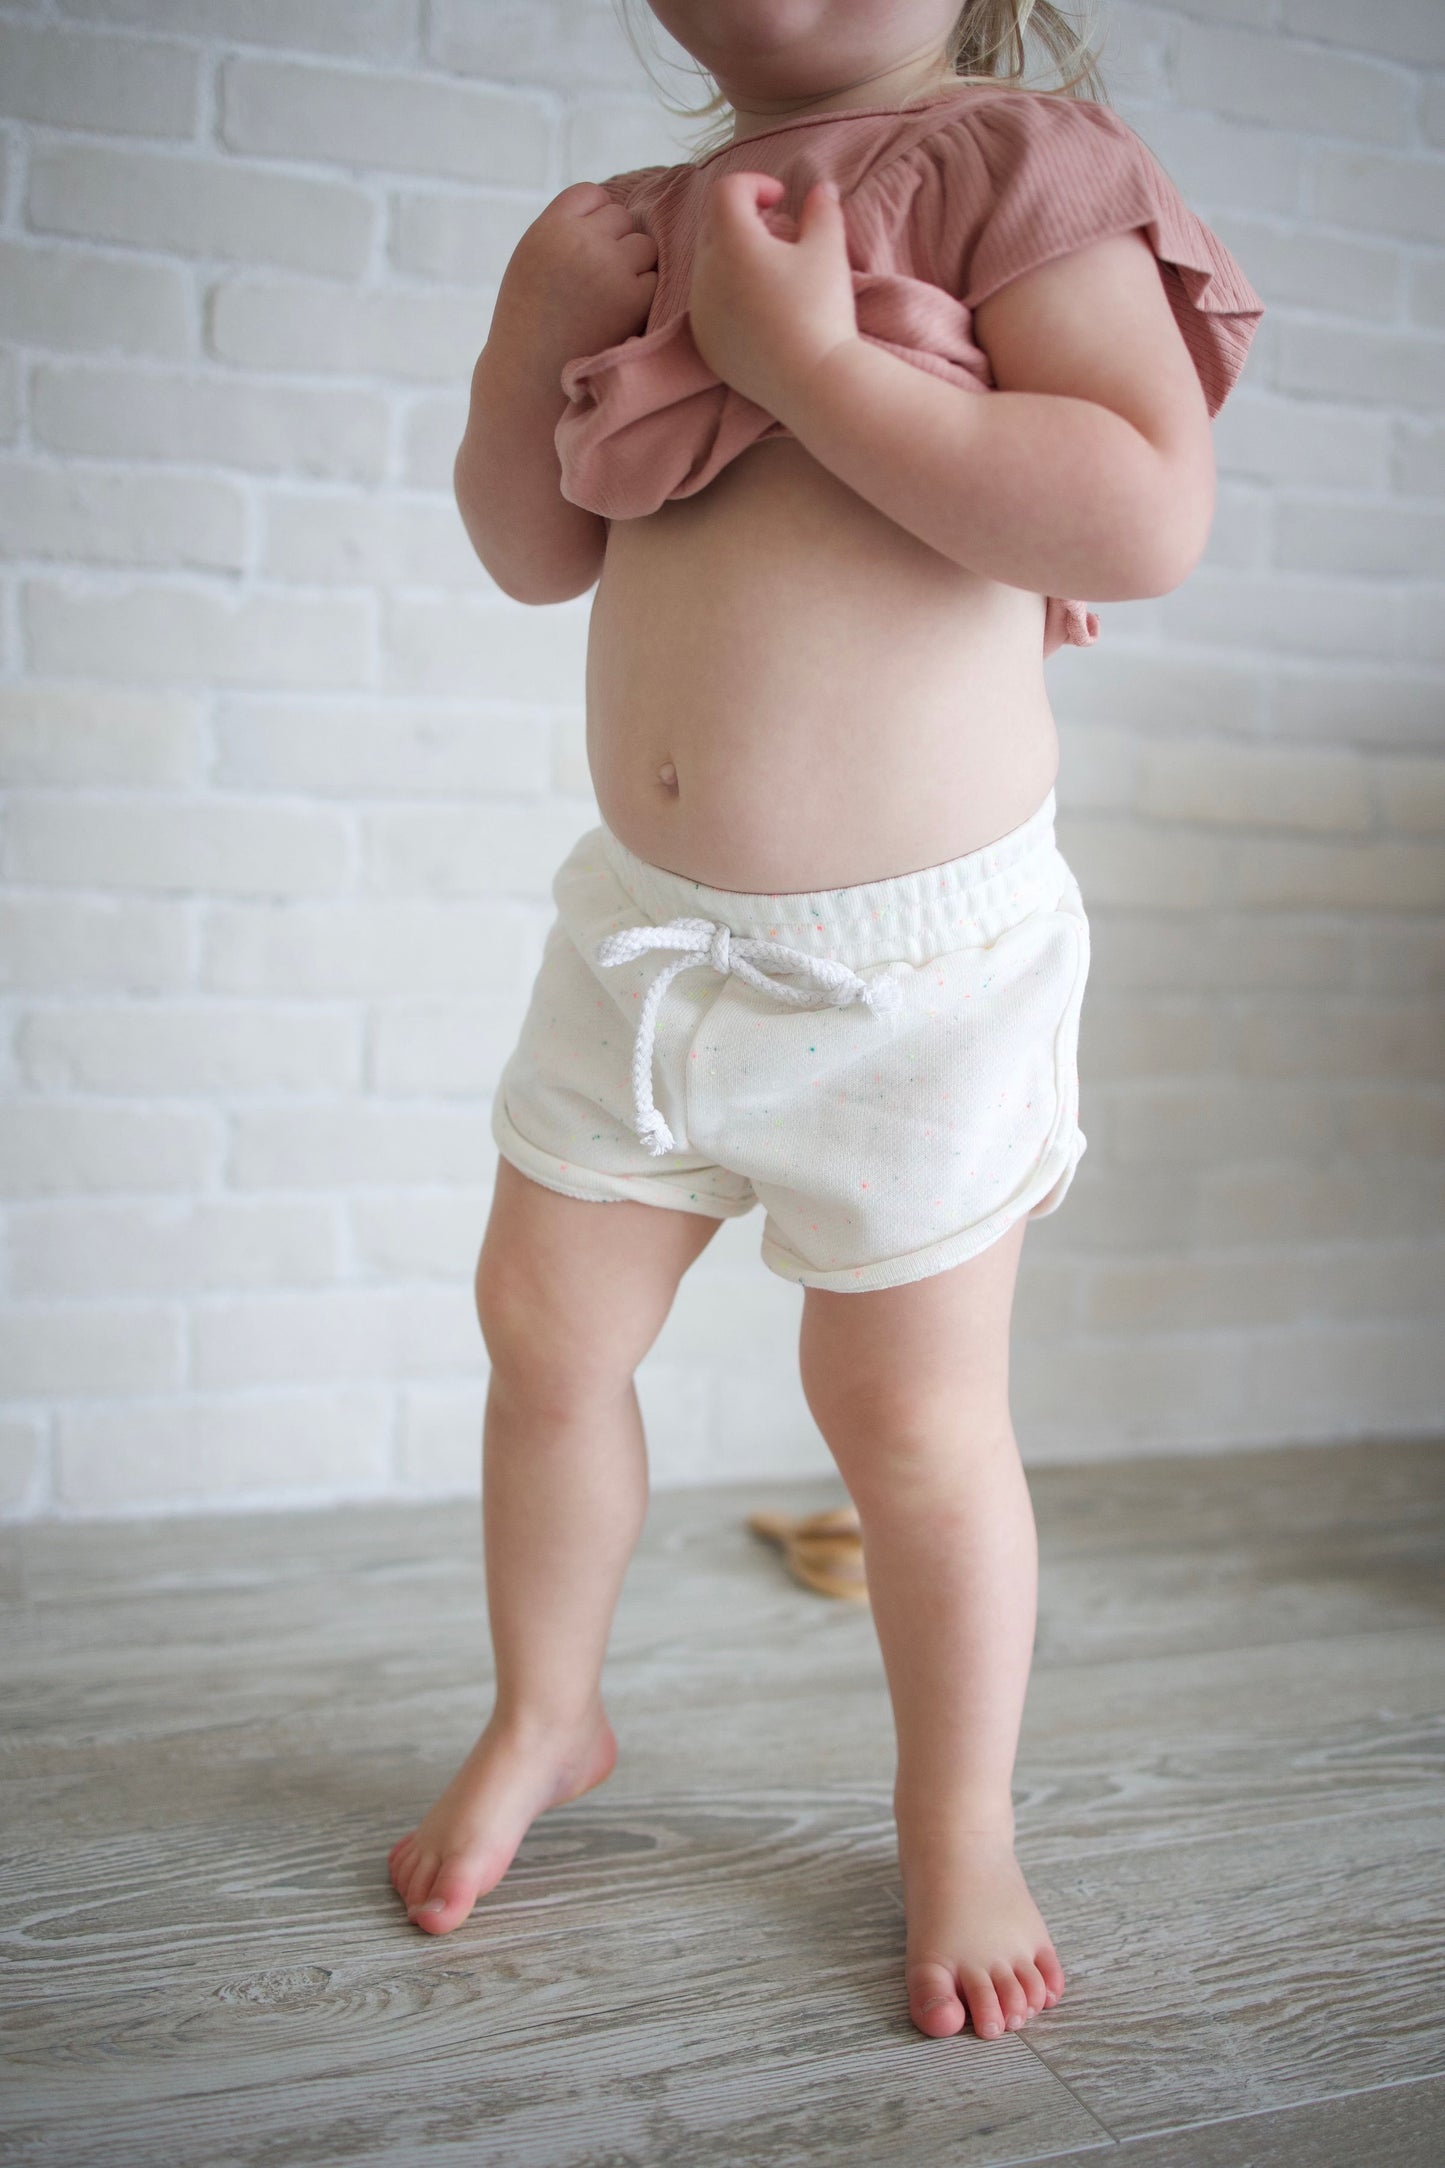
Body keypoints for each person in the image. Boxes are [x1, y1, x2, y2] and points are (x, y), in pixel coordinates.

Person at [387, 0, 1264, 2042]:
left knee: (912, 1426)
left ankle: (955, 1818)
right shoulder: (625, 227)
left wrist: (799, 358)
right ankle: (550, 1708)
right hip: (644, 944)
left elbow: (1140, 511)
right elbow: (534, 554)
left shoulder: (1021, 172)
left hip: (917, 979)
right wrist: (534, 335)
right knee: (544, 1329)